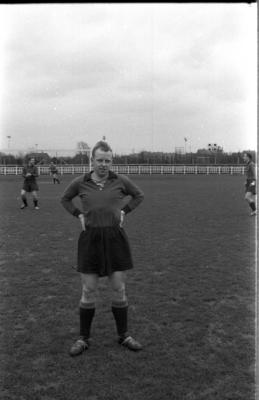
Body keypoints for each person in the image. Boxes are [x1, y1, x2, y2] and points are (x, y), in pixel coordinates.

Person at [61, 140, 144, 356]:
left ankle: (123, 335)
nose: (104, 164)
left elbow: (139, 196)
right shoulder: (81, 182)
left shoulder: (120, 180)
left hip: (115, 239)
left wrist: (124, 211)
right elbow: (65, 199)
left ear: (111, 161)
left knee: (119, 288)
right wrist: (78, 214)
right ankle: (83, 338)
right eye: (100, 160)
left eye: (107, 161)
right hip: (90, 240)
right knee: (88, 289)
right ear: (92, 160)